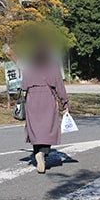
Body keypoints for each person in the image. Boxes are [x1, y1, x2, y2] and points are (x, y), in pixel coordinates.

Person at [20, 45, 69, 174]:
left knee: (35, 130)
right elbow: (60, 87)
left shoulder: (29, 68)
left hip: (32, 100)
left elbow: (24, 87)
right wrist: (65, 103)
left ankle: (37, 152)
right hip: (48, 98)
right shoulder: (53, 68)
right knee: (48, 129)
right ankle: (42, 152)